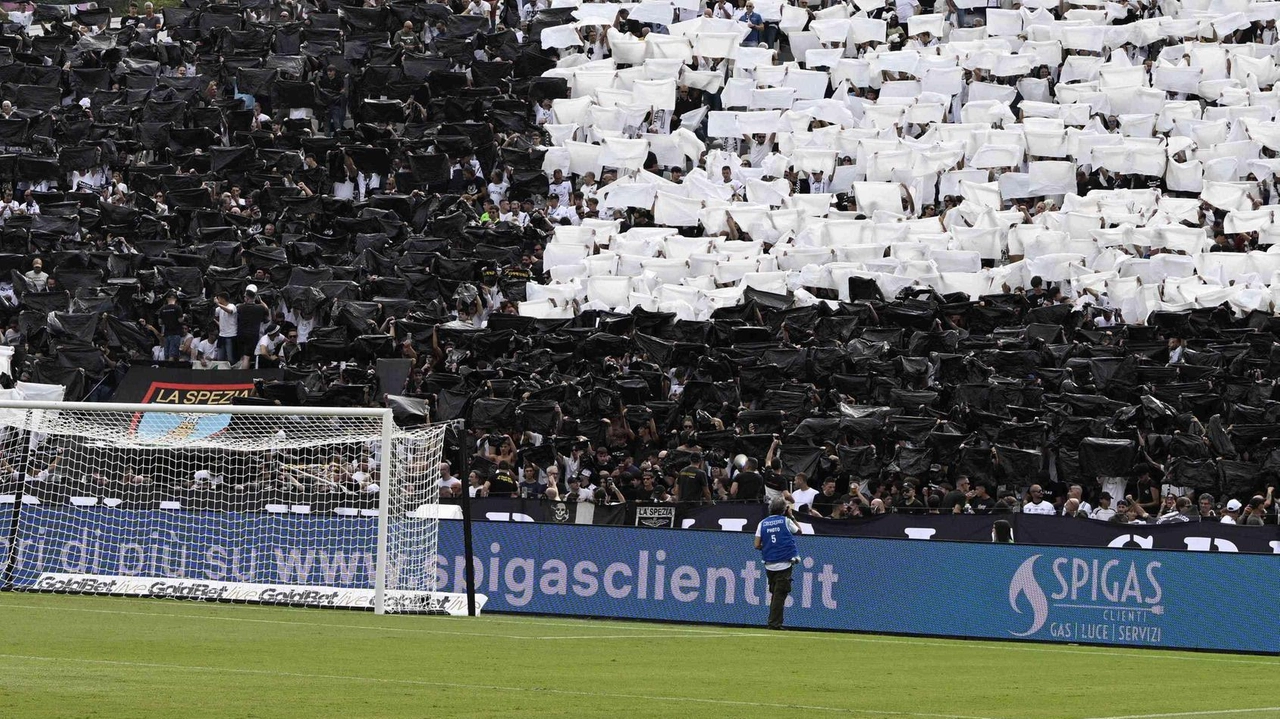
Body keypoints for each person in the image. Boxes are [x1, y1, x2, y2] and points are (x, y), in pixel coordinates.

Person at [753, 497, 800, 630]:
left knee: (775, 593)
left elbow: (756, 545)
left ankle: (774, 621)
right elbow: (799, 531)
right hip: (784, 562)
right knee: (780, 595)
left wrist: (768, 546)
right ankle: (774, 623)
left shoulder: (762, 523)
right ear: (784, 509)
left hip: (769, 563)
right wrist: (792, 517)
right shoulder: (785, 521)